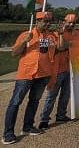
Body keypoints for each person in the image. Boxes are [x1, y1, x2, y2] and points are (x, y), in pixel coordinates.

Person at [3, 12, 56, 144]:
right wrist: (24, 41)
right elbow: (14, 53)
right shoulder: (26, 35)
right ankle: (8, 133)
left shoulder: (51, 36)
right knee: (15, 102)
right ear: (37, 21)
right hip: (26, 74)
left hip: (42, 74)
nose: (48, 23)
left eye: (50, 21)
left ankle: (27, 127)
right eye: (45, 21)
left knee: (34, 101)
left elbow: (58, 49)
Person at [39, 14, 79, 129]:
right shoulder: (54, 34)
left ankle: (61, 115)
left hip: (70, 68)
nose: (71, 24)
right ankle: (44, 119)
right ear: (64, 22)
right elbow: (60, 47)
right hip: (57, 70)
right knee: (52, 95)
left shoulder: (78, 34)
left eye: (73, 23)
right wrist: (64, 38)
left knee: (65, 95)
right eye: (69, 22)